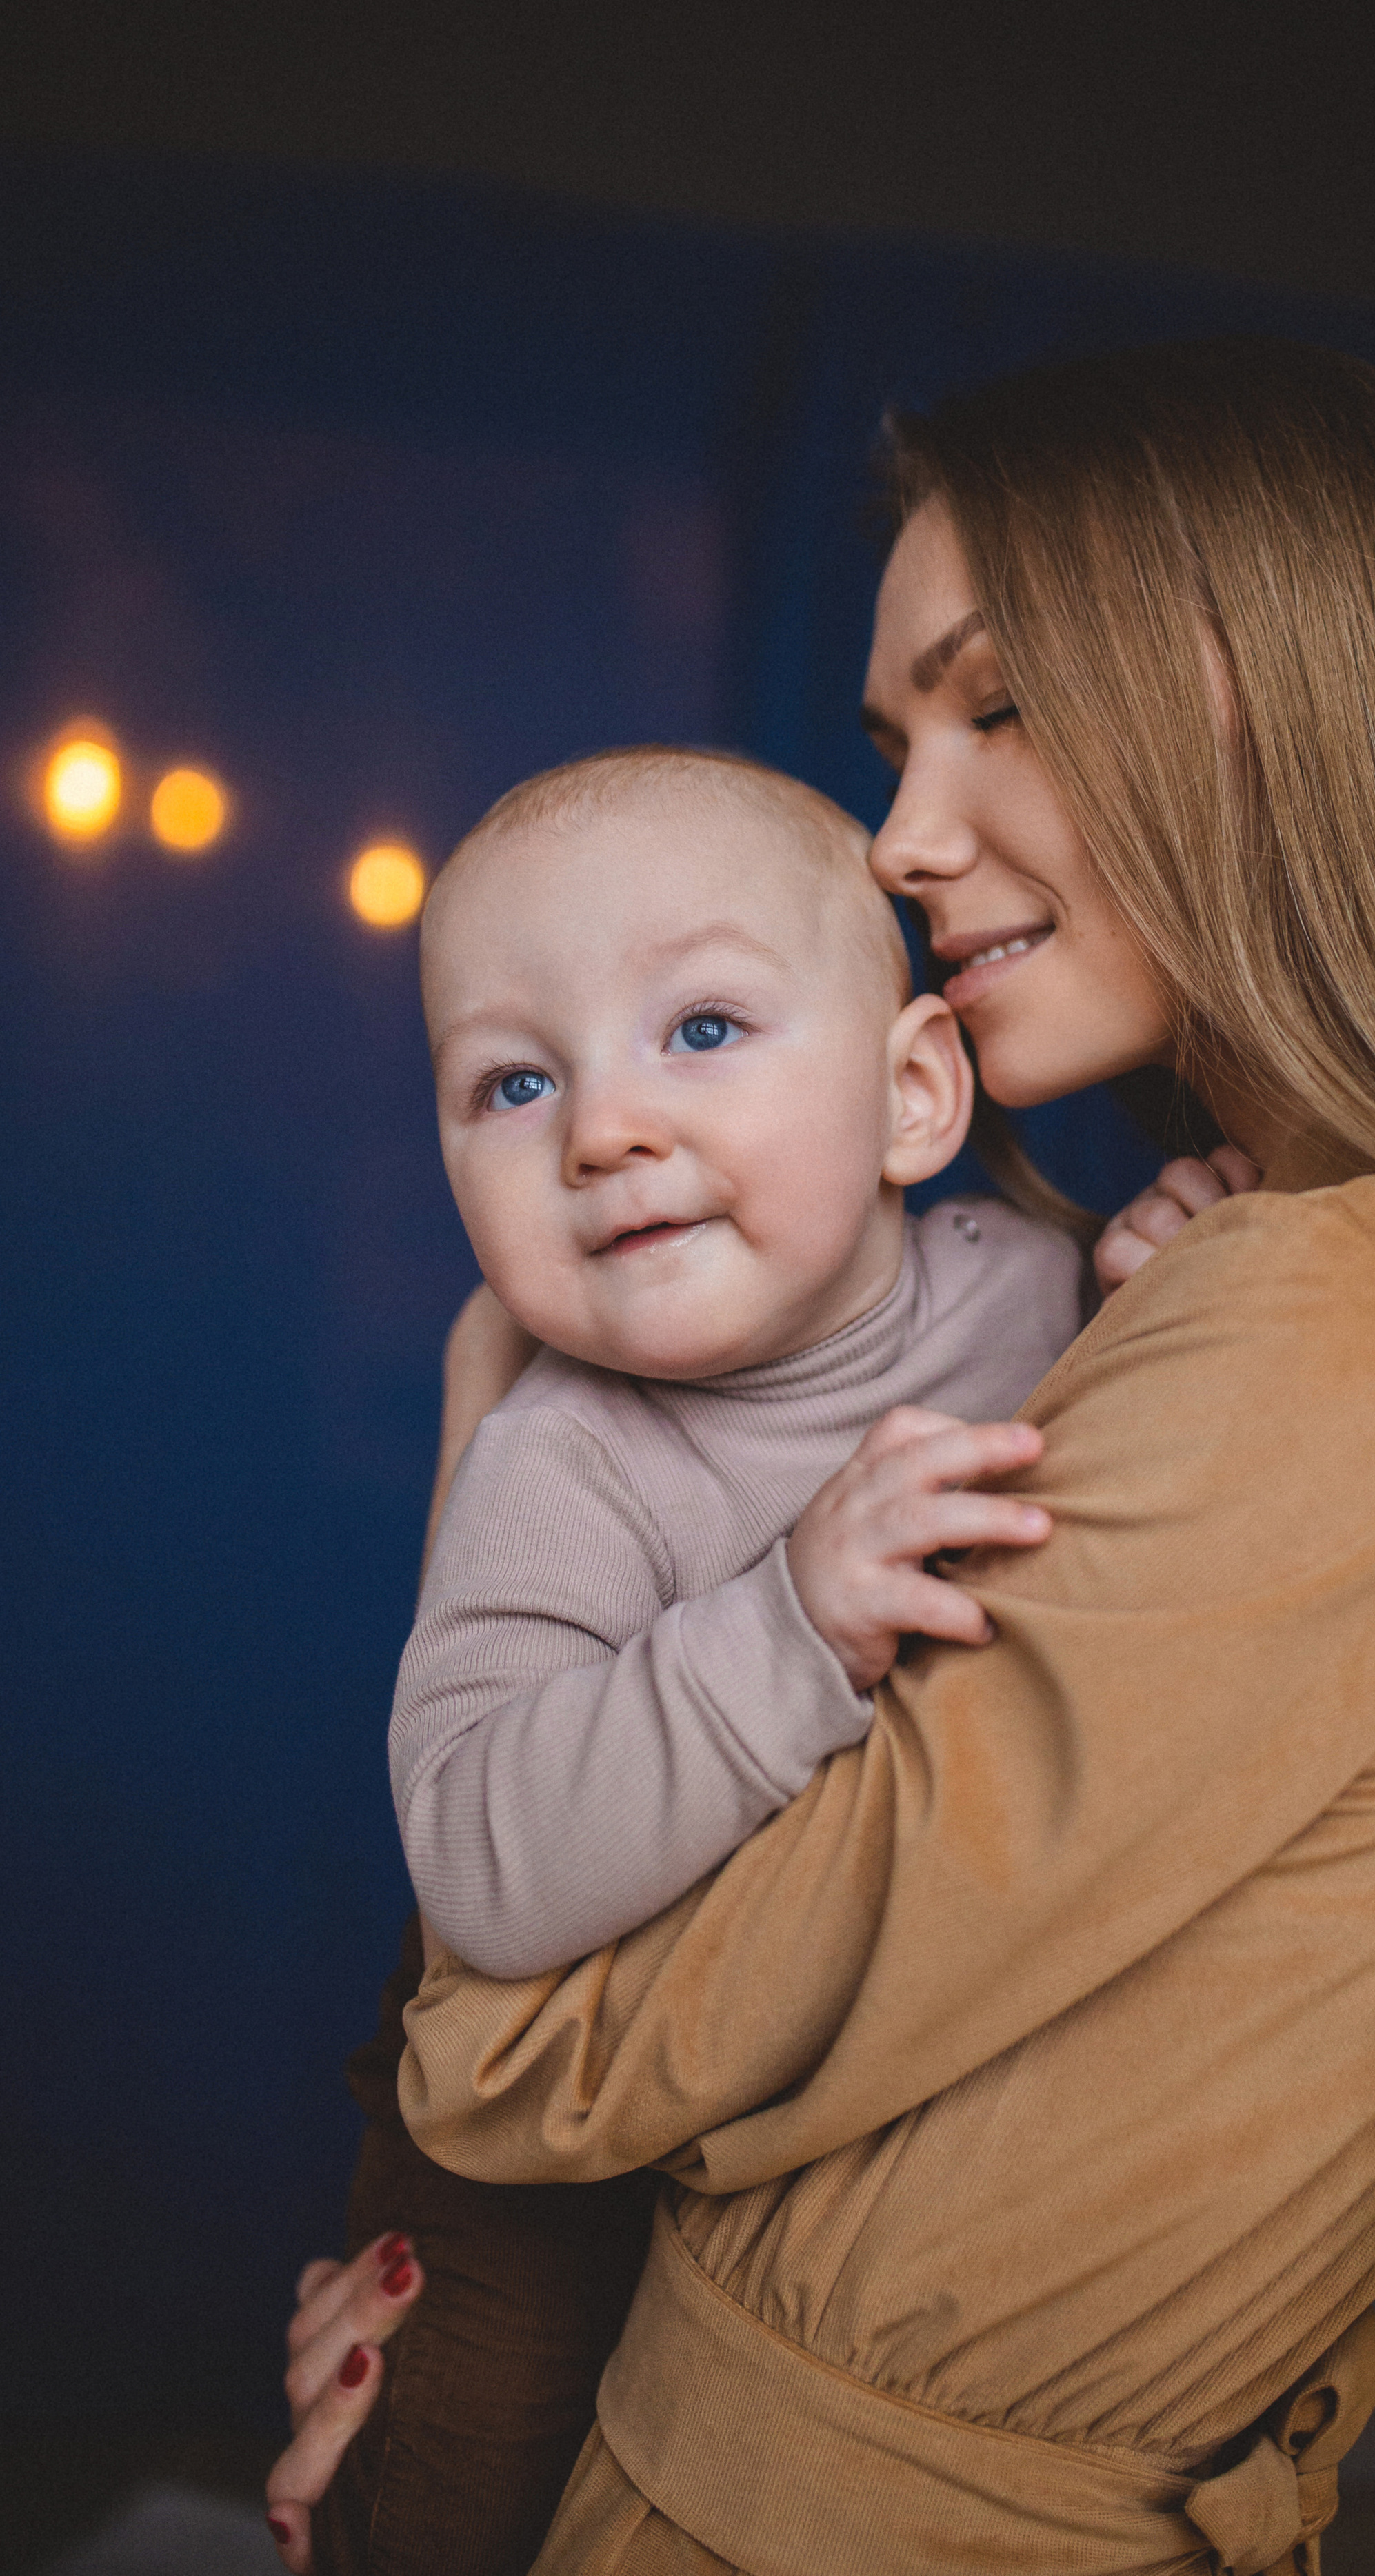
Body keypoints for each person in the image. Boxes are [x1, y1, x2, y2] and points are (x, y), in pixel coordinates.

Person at [286, 339, 1375, 2576]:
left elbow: (557, 2054)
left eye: (1002, 706)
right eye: (897, 744)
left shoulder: (1340, 1319)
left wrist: (450, 2179)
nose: (902, 834)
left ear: (1289, 703)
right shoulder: (1224, 1284)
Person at [273, 741, 1105, 2575]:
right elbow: (483, 1868)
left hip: (830, 2163)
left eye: (703, 1030)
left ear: (910, 1096)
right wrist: (785, 1620)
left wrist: (1179, 1261)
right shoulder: (563, 1457)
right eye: (512, 1079)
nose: (602, 1129)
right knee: (449, 2489)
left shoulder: (1050, 1298)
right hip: (520, 2175)